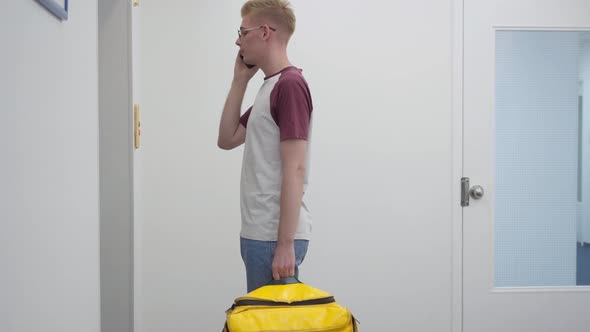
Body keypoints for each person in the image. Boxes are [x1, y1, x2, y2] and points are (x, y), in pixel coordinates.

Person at [217, 0, 314, 293]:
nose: (237, 40)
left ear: (265, 32)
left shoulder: (290, 85)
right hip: (261, 233)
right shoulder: (270, 86)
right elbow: (227, 138)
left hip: (273, 237)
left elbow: (295, 168)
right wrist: (239, 81)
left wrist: (284, 244)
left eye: (242, 32)